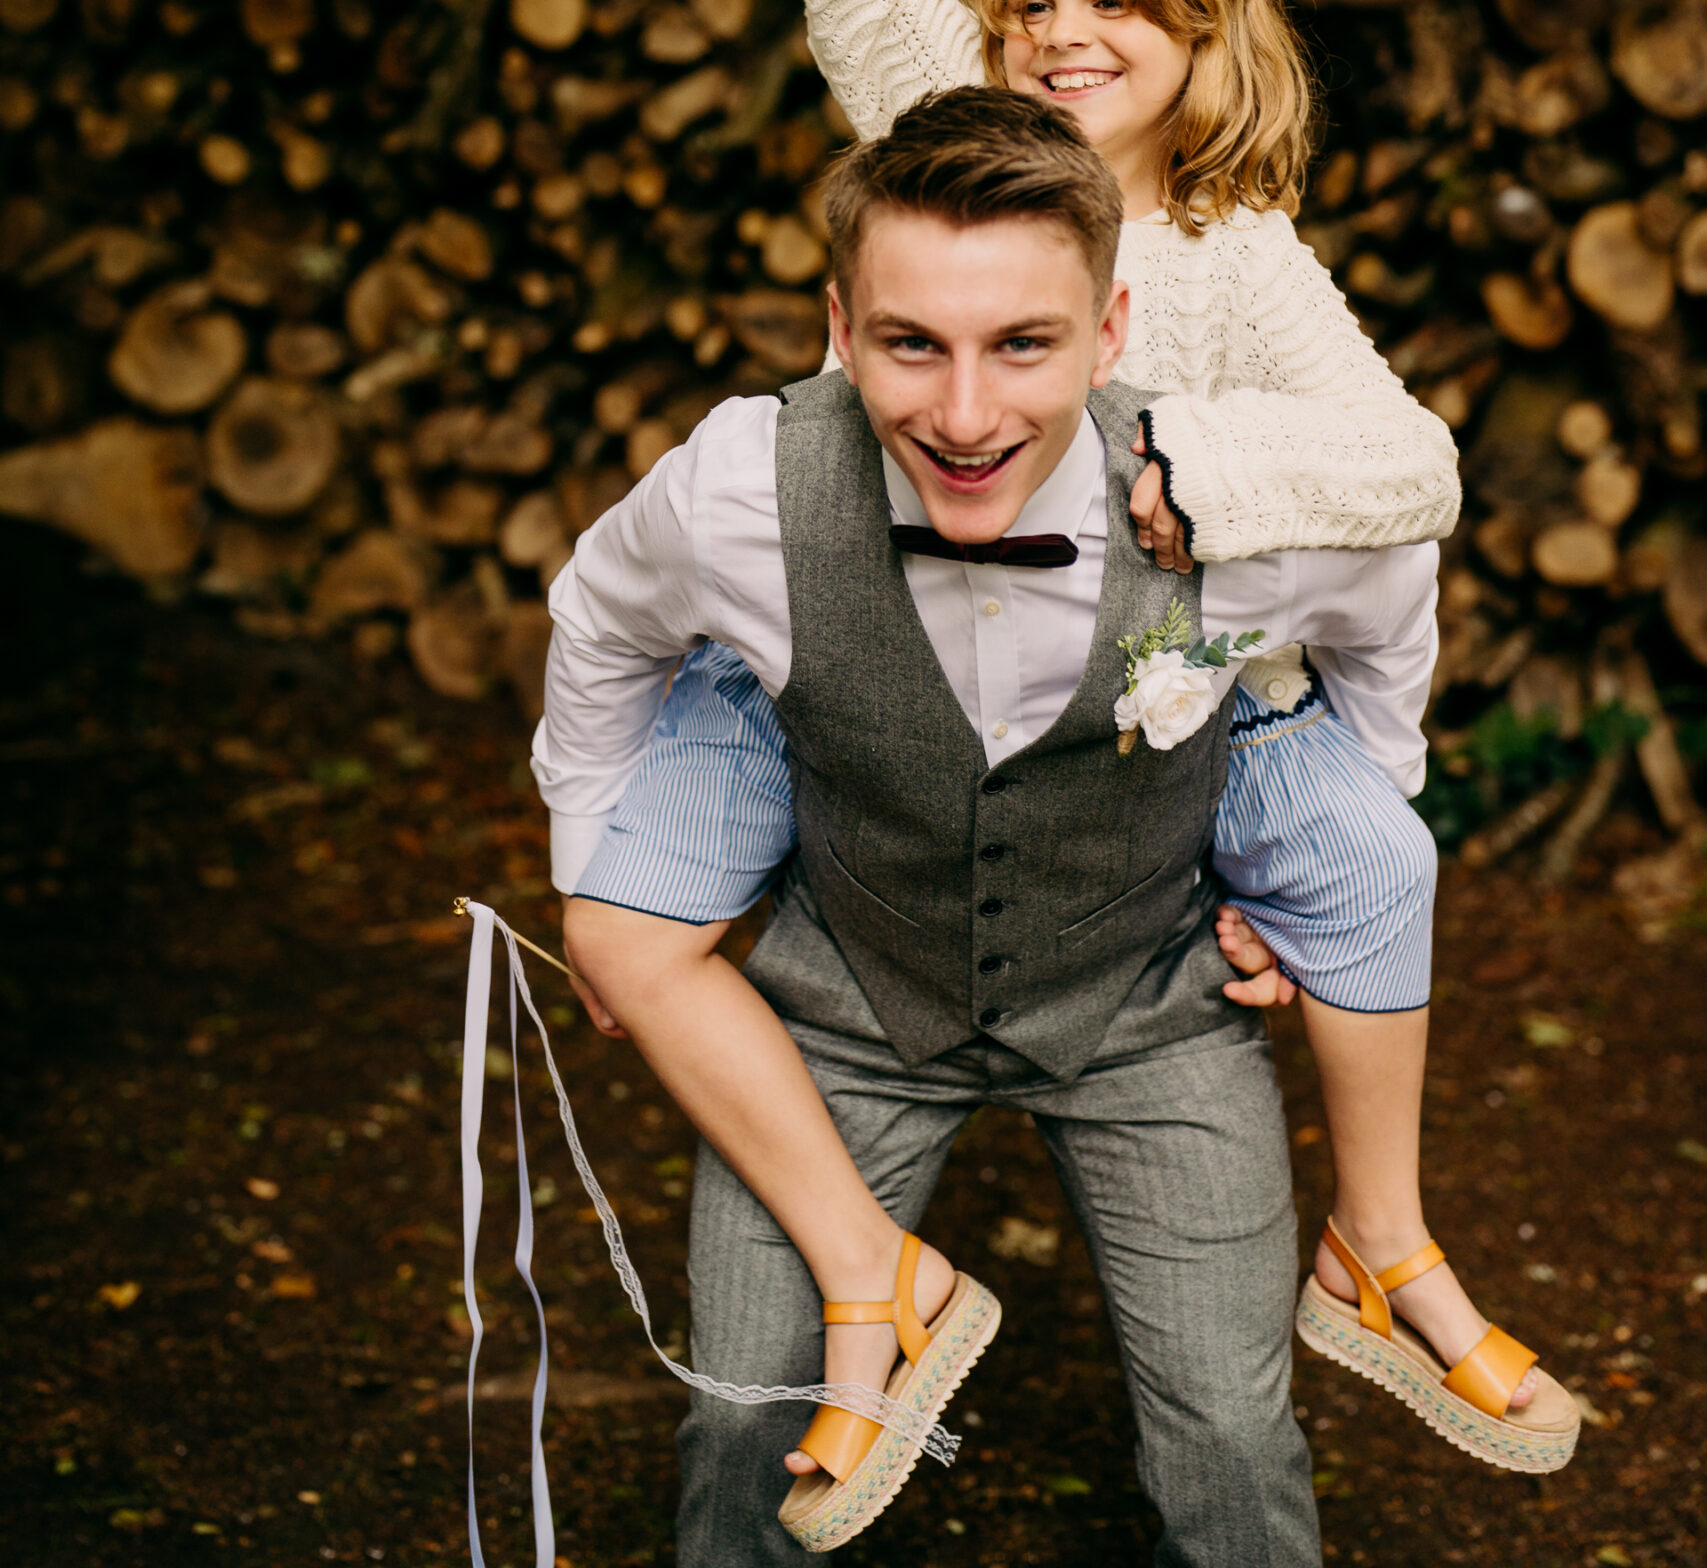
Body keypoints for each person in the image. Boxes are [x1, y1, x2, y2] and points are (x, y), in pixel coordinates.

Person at [534, 91, 1575, 1563]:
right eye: (911, 343)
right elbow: (597, 618)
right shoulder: (737, 491)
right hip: (843, 1009)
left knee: (1229, 1430)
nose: (966, 418)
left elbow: (1387, 603)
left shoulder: (1235, 503)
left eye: (1023, 343)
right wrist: (594, 853)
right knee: (744, 1418)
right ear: (840, 328)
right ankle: (871, 1282)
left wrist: (1337, 840)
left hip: (1148, 1002)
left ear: (1109, 332)